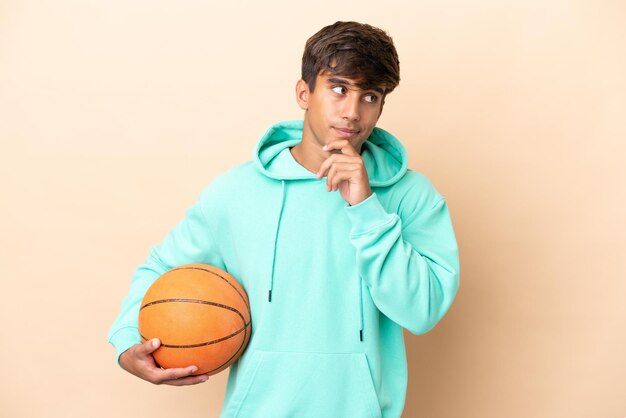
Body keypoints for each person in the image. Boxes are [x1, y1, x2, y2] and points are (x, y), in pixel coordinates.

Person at [108, 21, 460, 418]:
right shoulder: (235, 192)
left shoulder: (411, 195)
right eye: (339, 88)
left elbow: (423, 310)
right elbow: (161, 267)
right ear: (304, 92)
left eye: (370, 96)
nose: (352, 112)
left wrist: (365, 208)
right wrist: (125, 342)